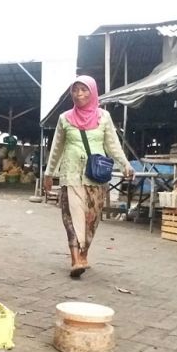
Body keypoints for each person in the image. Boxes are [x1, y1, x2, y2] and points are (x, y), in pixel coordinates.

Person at [43, 75, 134, 278]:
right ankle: (75, 259)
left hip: (96, 176)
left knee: (91, 219)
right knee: (71, 217)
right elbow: (56, 148)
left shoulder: (104, 117)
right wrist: (49, 173)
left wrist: (125, 164)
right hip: (71, 175)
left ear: (92, 92)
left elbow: (112, 145)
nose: (79, 94)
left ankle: (84, 254)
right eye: (75, 90)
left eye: (84, 90)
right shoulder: (64, 118)